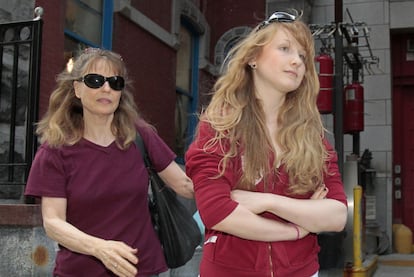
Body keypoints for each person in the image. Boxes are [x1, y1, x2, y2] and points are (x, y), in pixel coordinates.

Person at [185, 10, 348, 277]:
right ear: (252, 58)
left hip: (302, 272)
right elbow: (217, 212)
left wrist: (268, 202)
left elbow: (337, 215)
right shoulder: (219, 127)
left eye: (303, 56)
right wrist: (297, 228)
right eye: (285, 49)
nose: (296, 61)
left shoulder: (311, 136)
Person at [24, 48, 194, 277]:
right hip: (80, 272)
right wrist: (99, 248)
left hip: (142, 270)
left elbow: (184, 184)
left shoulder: (140, 136)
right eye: (95, 80)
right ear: (77, 88)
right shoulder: (55, 150)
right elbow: (53, 222)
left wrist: (238, 192)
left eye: (115, 82)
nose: (106, 88)